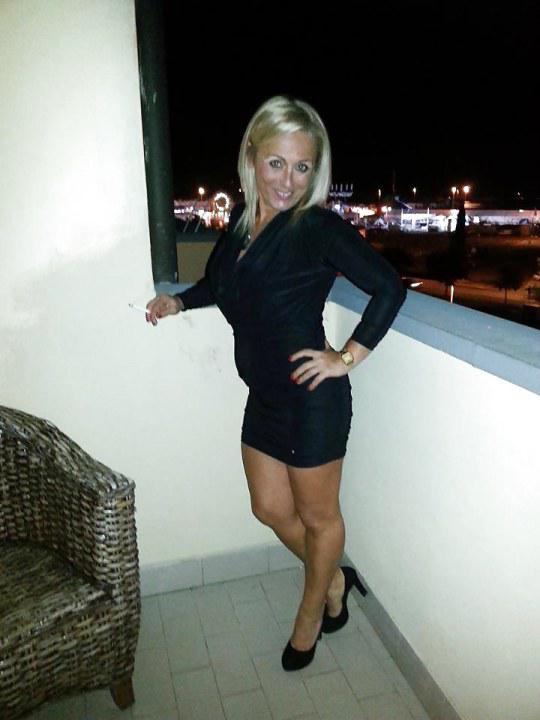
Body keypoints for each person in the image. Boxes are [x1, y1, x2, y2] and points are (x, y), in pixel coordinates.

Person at [146, 95, 406, 671]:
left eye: (302, 167)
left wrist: (347, 356)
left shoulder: (315, 228)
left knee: (319, 518)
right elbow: (224, 284)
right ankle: (333, 578)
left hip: (313, 400)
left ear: (316, 171)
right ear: (252, 158)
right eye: (276, 163)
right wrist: (180, 301)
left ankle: (313, 613)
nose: (288, 181)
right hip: (265, 397)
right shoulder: (243, 224)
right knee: (267, 508)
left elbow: (389, 287)